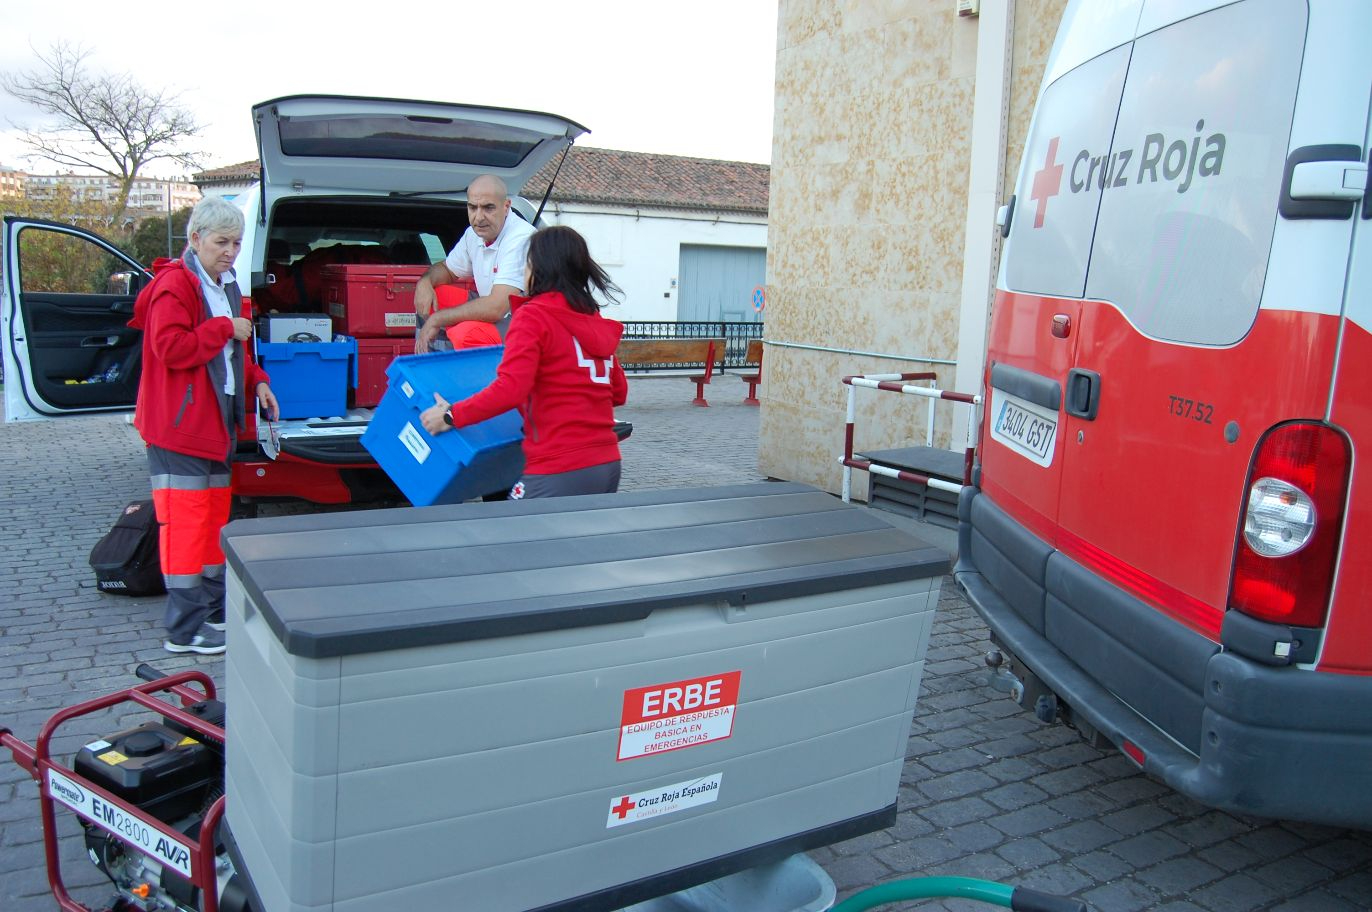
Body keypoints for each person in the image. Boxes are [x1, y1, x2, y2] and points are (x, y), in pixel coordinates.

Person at [128, 196, 279, 655]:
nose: (230, 251)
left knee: (213, 520)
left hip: (214, 424)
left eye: (236, 242)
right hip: (180, 426)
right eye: (221, 242)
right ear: (195, 239)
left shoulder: (225, 284)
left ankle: (211, 612)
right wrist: (222, 329)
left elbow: (237, 354)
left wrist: (258, 382)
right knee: (186, 525)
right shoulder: (175, 285)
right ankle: (183, 628)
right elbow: (170, 348)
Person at [420, 226, 627, 498]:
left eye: (526, 263)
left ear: (539, 267)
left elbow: (511, 389)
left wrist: (451, 416)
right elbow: (618, 392)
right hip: (606, 463)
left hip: (557, 466)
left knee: (510, 536)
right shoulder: (592, 320)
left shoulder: (533, 316)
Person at [414, 174, 536, 353]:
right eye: (473, 207)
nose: (479, 217)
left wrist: (438, 319)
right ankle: (427, 367)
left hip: (525, 320)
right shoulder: (473, 234)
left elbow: (497, 308)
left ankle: (459, 377)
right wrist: (424, 282)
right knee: (432, 298)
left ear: (506, 207)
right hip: (495, 308)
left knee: (466, 335)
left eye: (488, 208)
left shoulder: (520, 238)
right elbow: (447, 269)